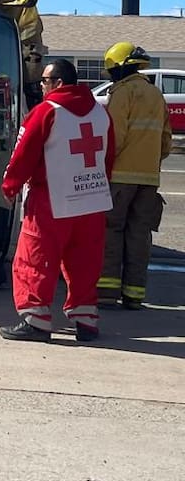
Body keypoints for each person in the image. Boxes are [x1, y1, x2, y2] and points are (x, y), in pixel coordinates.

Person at [0, 58, 115, 342]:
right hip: (92, 200)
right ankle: (86, 320)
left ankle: (36, 320)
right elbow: (108, 157)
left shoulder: (46, 112)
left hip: (51, 198)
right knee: (85, 262)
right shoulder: (101, 114)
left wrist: (10, 184)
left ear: (58, 83)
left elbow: (23, 153)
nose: (41, 86)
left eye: (44, 81)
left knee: (35, 258)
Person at [97, 42, 173, 309]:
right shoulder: (155, 94)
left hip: (120, 177)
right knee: (140, 235)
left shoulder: (122, 93)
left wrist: (102, 167)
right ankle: (134, 294)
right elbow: (166, 141)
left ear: (118, 68)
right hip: (149, 179)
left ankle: (107, 292)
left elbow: (114, 137)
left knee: (111, 230)